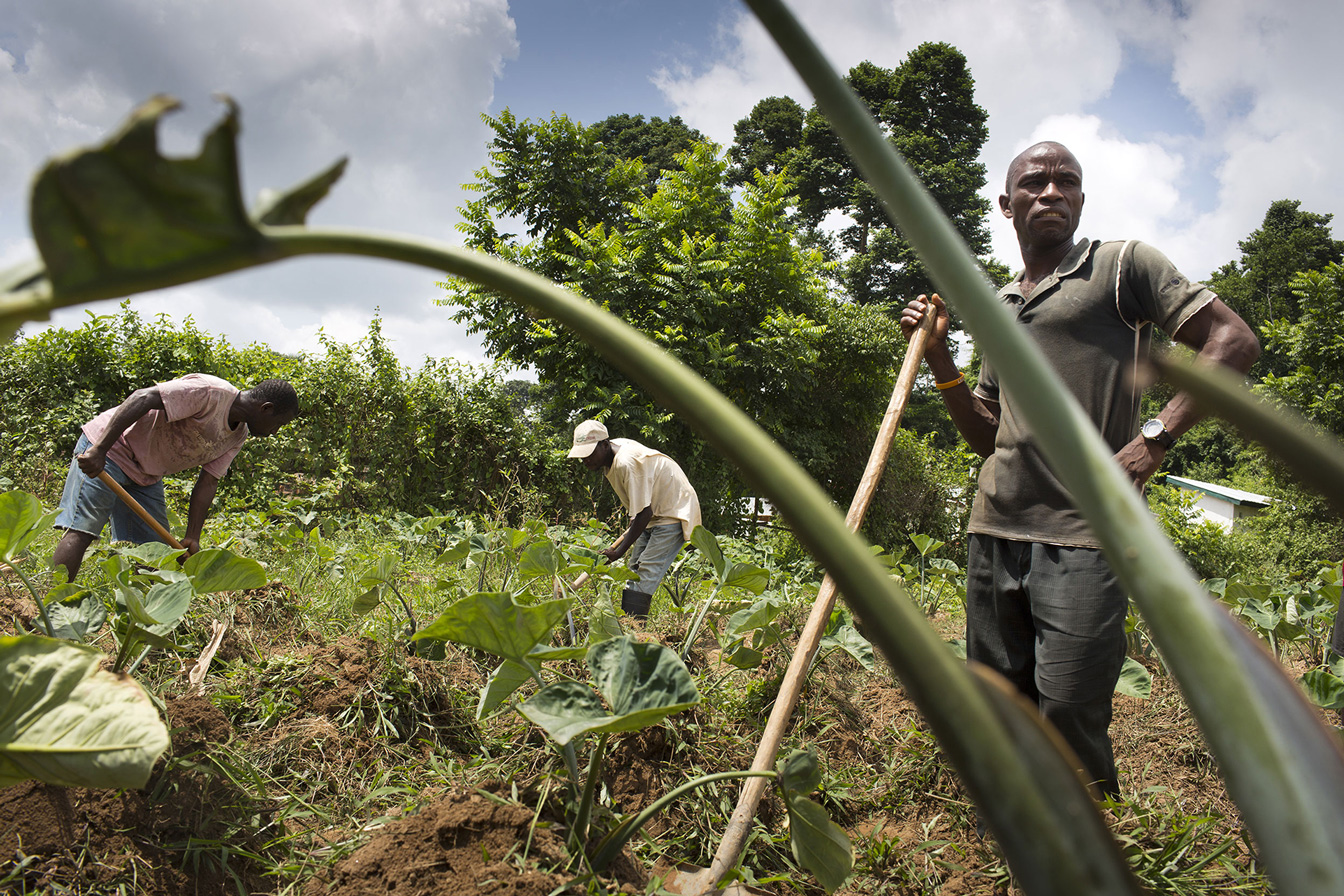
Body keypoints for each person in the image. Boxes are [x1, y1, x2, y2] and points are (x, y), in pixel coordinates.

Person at [900, 141, 1260, 797]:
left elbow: (1232, 342)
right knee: (1001, 706)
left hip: (1085, 536)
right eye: (1034, 182)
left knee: (1069, 708)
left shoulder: (1120, 268)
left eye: (1067, 181)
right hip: (995, 531)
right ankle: (1012, 842)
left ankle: (1089, 856)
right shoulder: (998, 306)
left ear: (1082, 200)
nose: (1051, 192)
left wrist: (1156, 436)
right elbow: (990, 433)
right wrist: (940, 361)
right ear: (1007, 206)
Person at [51, 374, 299, 582]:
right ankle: (48, 610)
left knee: (156, 554)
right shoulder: (209, 391)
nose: (274, 432)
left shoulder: (238, 436)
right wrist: (100, 449)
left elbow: (209, 480)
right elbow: (143, 397)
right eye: (278, 424)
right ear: (266, 409)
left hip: (146, 473)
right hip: (111, 450)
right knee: (82, 531)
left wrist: (192, 536)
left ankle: (141, 624)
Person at [568, 419, 702, 618]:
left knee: (646, 569)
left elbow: (643, 513)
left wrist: (619, 551)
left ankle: (636, 629)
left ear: (605, 444)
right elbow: (640, 508)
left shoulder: (625, 462)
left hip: (672, 510)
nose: (585, 459)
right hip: (652, 513)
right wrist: (624, 540)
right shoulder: (609, 458)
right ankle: (631, 622)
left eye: (588, 453)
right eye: (582, 455)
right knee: (634, 568)